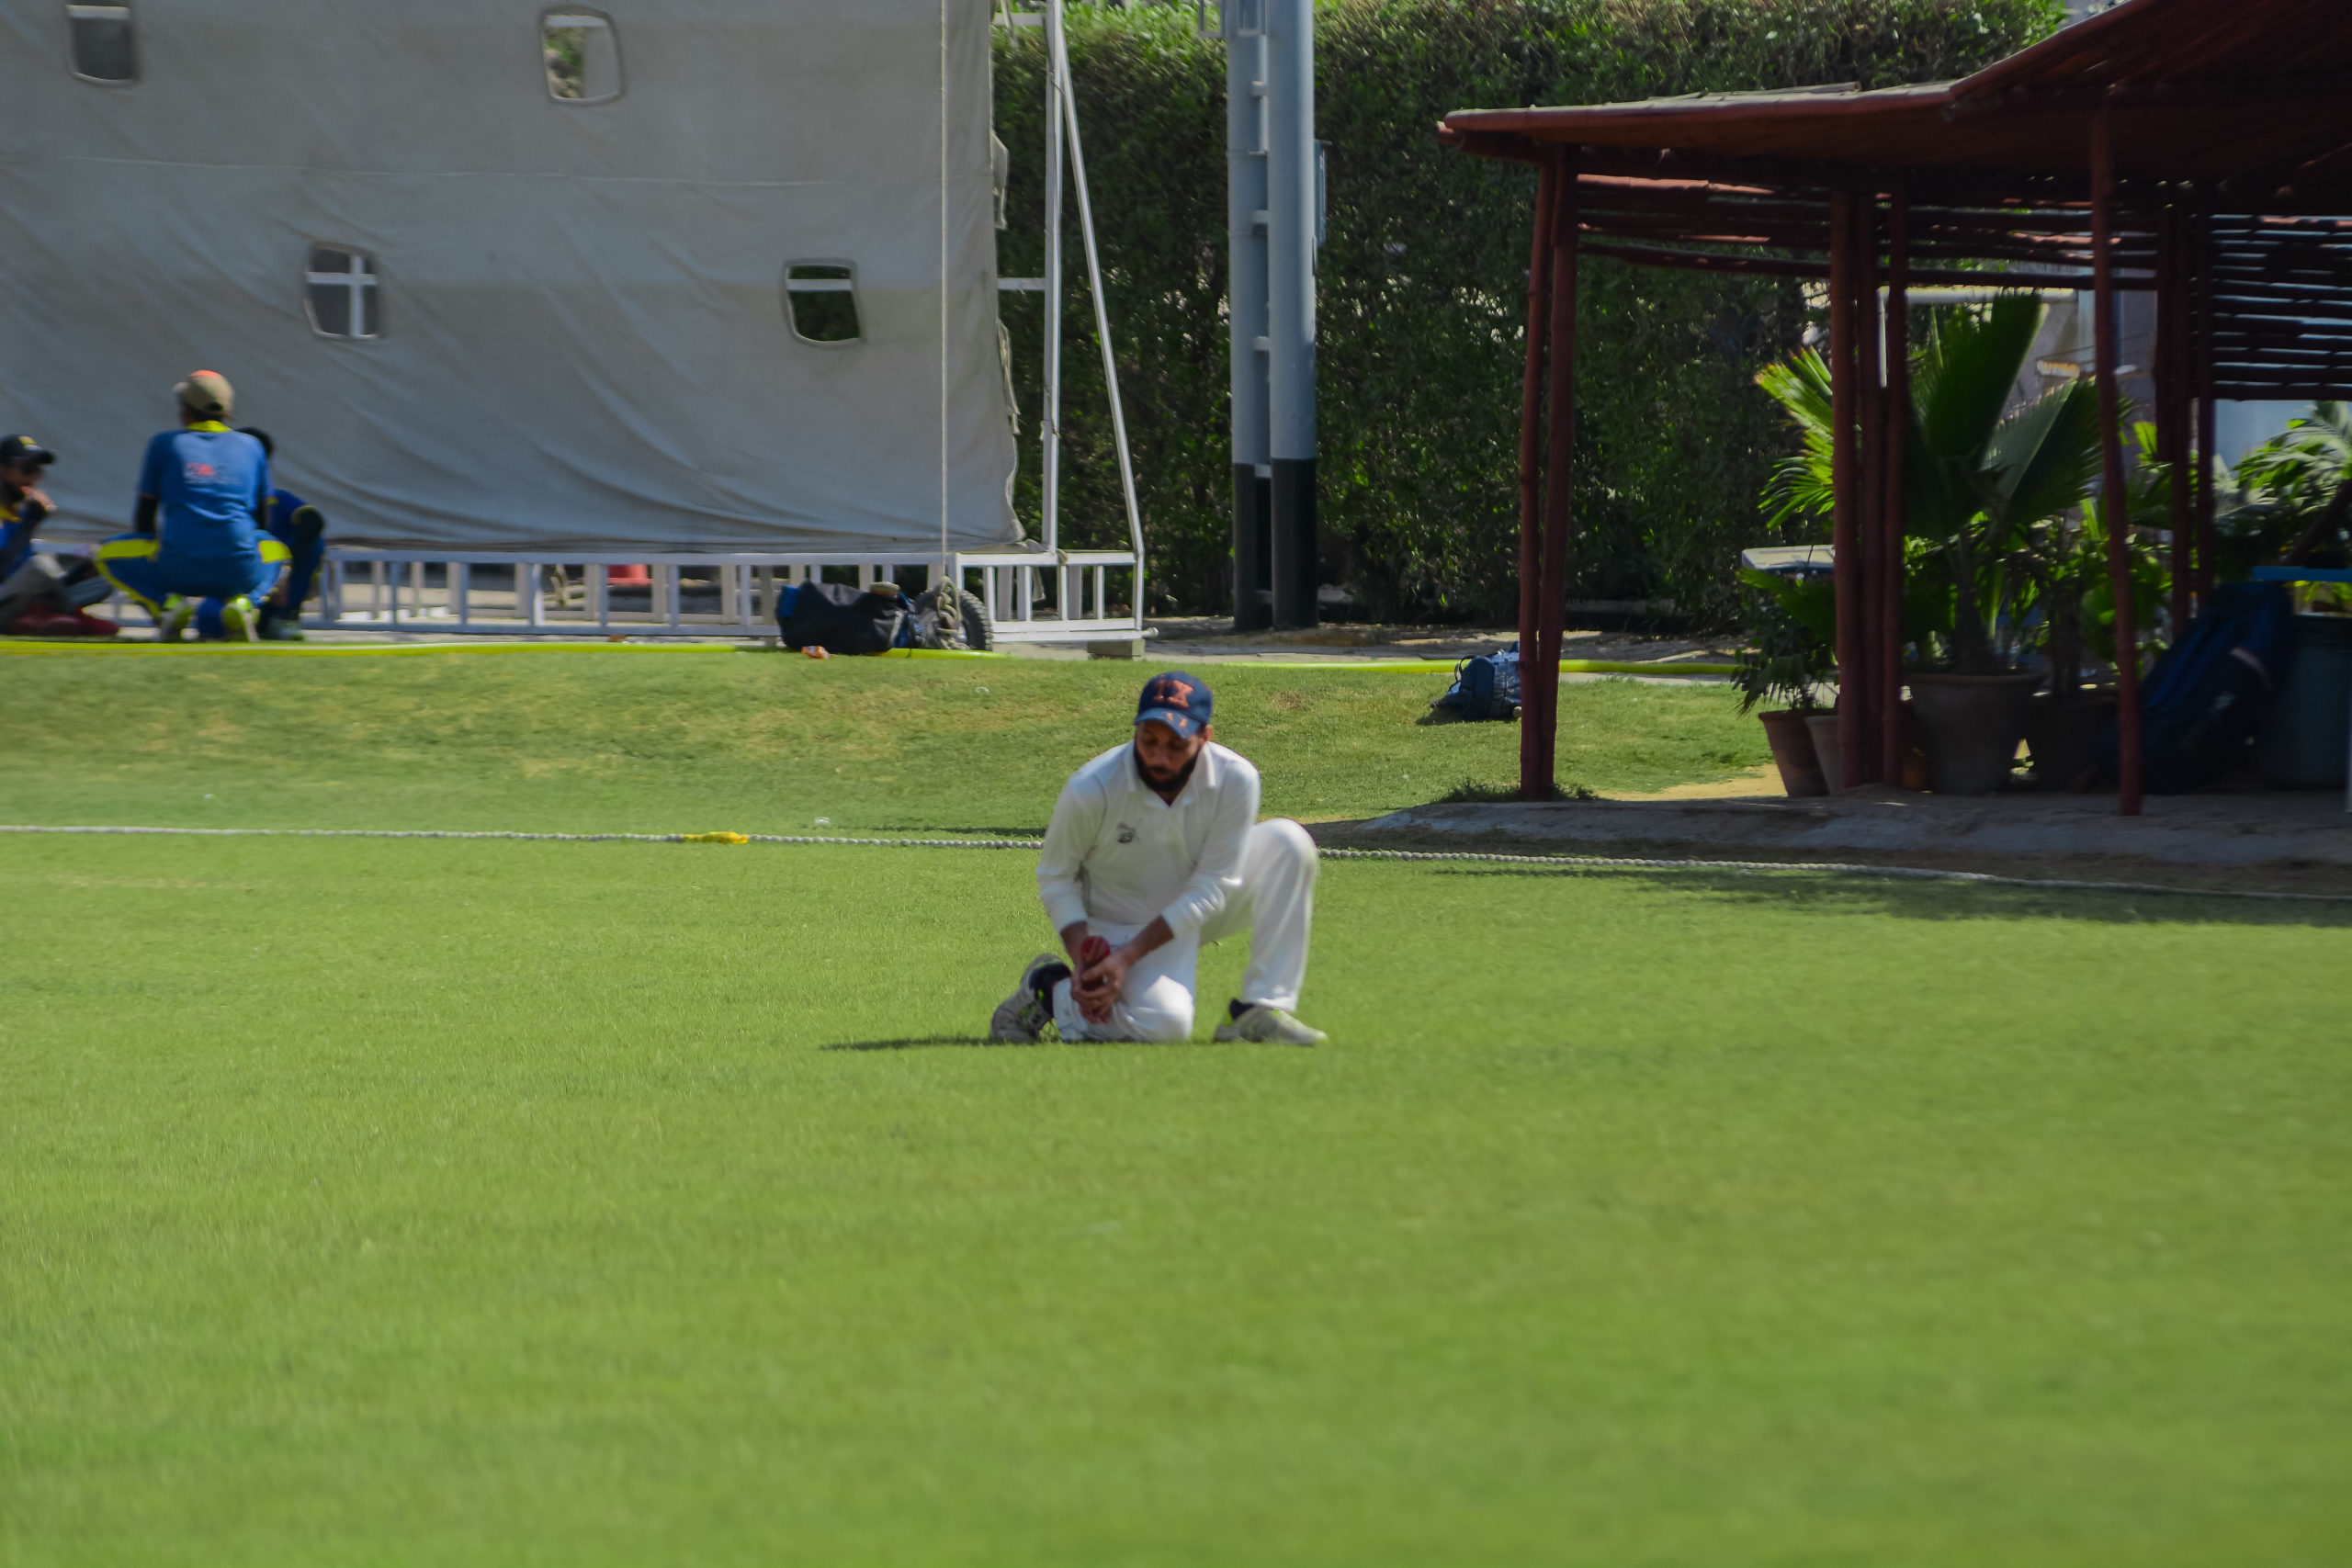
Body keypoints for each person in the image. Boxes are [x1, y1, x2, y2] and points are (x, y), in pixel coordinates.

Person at [990, 671, 1328, 1045]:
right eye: (1148, 740)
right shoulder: (1091, 787)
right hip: (1120, 924)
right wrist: (1084, 959)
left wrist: (1127, 960)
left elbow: (1214, 884)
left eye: (1176, 744)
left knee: (1289, 842)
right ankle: (1051, 989)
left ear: (1205, 737)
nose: (1159, 757)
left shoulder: (1237, 778)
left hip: (1201, 905)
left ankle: (1258, 1009)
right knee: (1167, 1026)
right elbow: (1056, 876)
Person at [95, 371, 287, 641]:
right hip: (238, 570)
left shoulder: (164, 443)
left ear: (185, 409)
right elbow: (264, 521)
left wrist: (163, 555)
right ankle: (243, 603)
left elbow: (145, 518)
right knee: (280, 551)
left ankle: (168, 605)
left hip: (176, 568)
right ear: (227, 410)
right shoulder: (253, 446)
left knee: (101, 554)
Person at [0, 434, 118, 637]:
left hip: (24, 597)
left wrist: (77, 574)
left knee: (108, 571)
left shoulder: (20, 514)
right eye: (27, 469)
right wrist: (30, 525)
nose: (33, 477)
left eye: (37, 470)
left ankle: (42, 618)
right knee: (41, 565)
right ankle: (70, 616)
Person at [235, 427, 327, 641]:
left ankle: (284, 616)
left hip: (273, 594)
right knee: (211, 620)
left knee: (313, 541)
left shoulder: (277, 501)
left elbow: (314, 521)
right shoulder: (222, 502)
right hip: (231, 589)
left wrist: (283, 571)